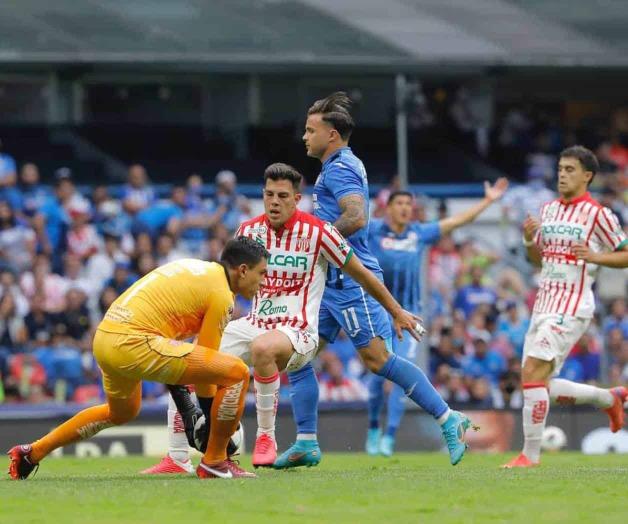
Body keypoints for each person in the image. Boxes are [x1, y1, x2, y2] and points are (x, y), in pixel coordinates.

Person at [144, 163, 422, 472]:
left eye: (282, 196)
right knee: (186, 359)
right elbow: (229, 285)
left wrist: (396, 311)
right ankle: (177, 457)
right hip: (253, 324)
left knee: (264, 347)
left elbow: (362, 274)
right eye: (269, 195)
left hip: (298, 331)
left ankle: (266, 437)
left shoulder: (319, 233)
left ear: (297, 199)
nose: (274, 202)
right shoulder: (248, 231)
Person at [278, 92, 475, 469]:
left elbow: (356, 217)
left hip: (352, 283)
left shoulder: (342, 168)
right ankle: (305, 441)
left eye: (310, 130)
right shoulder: (333, 166)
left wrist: (315, 244)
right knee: (296, 355)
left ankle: (449, 418)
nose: (304, 136)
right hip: (329, 283)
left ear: (331, 135)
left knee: (378, 360)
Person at [7, 237, 269, 480]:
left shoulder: (196, 268)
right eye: (262, 273)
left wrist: (192, 409)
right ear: (243, 270)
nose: (264, 282)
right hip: (134, 342)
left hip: (106, 338)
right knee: (236, 372)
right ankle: (215, 462)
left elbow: (188, 360)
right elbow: (208, 374)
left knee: (121, 412)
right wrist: (209, 423)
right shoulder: (222, 294)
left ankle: (32, 452)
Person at [503, 145, 628, 468]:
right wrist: (531, 240)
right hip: (544, 301)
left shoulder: (599, 214)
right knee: (537, 382)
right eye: (560, 169)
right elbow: (539, 259)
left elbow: (625, 253)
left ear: (587, 175)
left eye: (570, 170)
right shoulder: (549, 210)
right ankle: (607, 397)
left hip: (573, 304)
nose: (562, 175)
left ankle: (529, 457)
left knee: (532, 372)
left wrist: (596, 256)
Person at [366, 180, 508, 456]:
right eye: (400, 203)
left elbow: (456, 221)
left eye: (409, 204)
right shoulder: (372, 231)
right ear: (388, 208)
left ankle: (389, 438)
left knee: (400, 372)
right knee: (376, 376)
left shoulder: (419, 233)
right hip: (378, 313)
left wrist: (488, 201)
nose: (406, 208)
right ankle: (373, 427)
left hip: (410, 314)